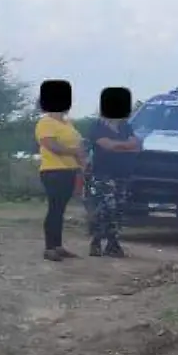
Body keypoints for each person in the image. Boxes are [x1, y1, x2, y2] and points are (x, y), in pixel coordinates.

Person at [35, 104, 88, 261]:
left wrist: (82, 164)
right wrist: (74, 152)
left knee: (60, 209)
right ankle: (49, 247)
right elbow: (51, 145)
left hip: (70, 170)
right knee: (55, 208)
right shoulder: (45, 123)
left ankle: (57, 246)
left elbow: (79, 145)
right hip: (53, 170)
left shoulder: (67, 123)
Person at [87, 112, 142, 257]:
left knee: (119, 207)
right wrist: (126, 146)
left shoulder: (125, 126)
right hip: (103, 174)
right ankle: (96, 241)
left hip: (122, 174)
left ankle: (112, 243)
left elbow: (136, 145)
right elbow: (107, 145)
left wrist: (118, 146)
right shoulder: (97, 126)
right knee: (105, 207)